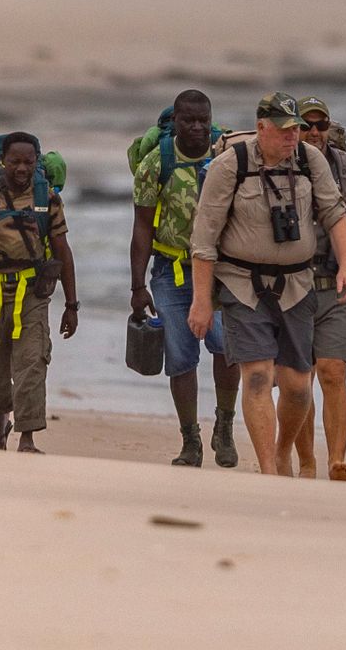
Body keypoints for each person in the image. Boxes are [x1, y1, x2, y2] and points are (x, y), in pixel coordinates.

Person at [185, 92, 346, 479]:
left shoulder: (311, 162)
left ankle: (282, 452)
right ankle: (268, 472)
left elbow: (336, 214)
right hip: (242, 283)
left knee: (297, 387)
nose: (292, 136)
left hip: (297, 284)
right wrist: (201, 301)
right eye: (283, 129)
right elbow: (204, 240)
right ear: (261, 127)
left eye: (295, 128)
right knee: (258, 375)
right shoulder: (230, 166)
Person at [273, 96, 346, 482]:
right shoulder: (276, 167)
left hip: (337, 287)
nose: (315, 132)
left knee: (334, 372)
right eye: (306, 125)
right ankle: (306, 460)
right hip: (291, 287)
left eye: (321, 125)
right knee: (298, 379)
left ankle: (337, 458)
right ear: (294, 130)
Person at [0, 131, 77, 452]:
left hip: (33, 293)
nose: (22, 168)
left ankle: (27, 438)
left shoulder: (47, 198)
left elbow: (63, 252)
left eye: (28, 161)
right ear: (2, 162)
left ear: (37, 162)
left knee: (32, 362)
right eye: (15, 161)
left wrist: (72, 304)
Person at [128, 90, 227, 467]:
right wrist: (138, 287)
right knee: (182, 359)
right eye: (189, 120)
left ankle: (225, 424)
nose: (198, 127)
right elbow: (141, 228)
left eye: (204, 120)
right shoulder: (156, 163)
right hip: (171, 270)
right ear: (176, 121)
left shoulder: (226, 156)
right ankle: (191, 440)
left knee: (226, 347)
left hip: (220, 271)